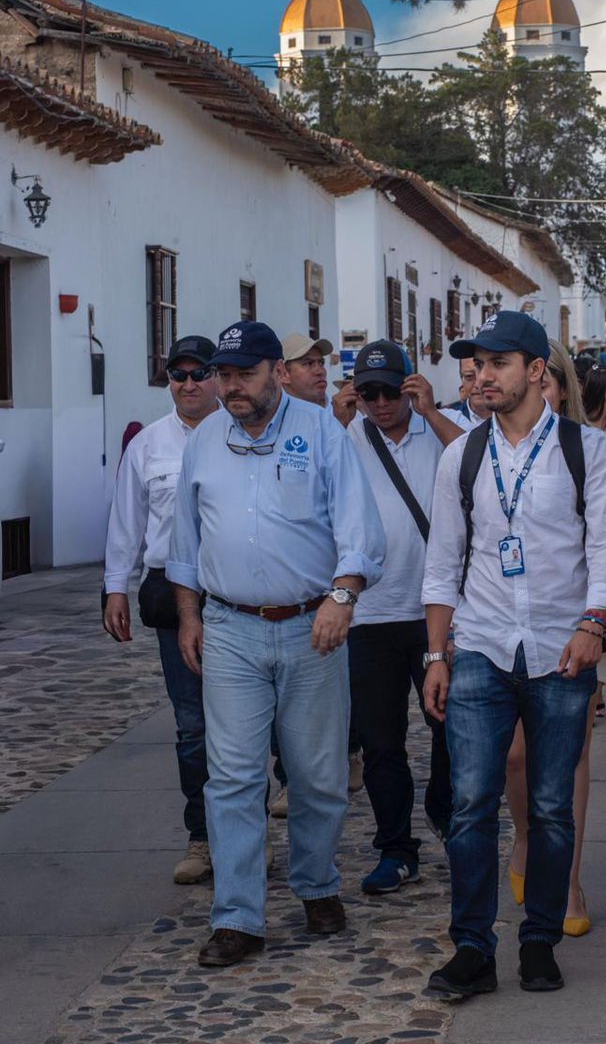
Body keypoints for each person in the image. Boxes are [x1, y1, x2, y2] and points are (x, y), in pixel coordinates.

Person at [421, 311, 606, 998]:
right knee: (471, 805)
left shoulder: (586, 451)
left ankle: (537, 940)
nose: (482, 375)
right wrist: (435, 655)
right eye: (477, 364)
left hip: (561, 649)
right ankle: (472, 949)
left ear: (536, 370)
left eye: (498, 362)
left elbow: (605, 548)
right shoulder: (463, 455)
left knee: (548, 807)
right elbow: (442, 562)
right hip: (478, 645)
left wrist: (594, 624)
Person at [167, 321, 385, 967]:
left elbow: (360, 531)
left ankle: (317, 885)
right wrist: (189, 617)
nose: (228, 386)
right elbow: (183, 546)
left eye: (242, 374)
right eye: (221, 375)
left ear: (276, 372)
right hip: (230, 629)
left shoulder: (322, 433)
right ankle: (237, 917)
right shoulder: (204, 441)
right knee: (231, 777)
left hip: (310, 628)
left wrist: (341, 598)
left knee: (317, 777)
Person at [505, 343, 606, 940]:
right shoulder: (488, 450)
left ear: (559, 385)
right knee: (514, 755)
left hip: (574, 621)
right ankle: (528, 841)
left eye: (556, 385)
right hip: (504, 621)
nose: (548, 396)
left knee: (571, 755)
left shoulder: (597, 450)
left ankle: (568, 878)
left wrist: (597, 562)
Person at [344, 340, 464, 895]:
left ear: (408, 386)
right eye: (369, 393)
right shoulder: (347, 437)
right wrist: (337, 417)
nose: (380, 403)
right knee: (381, 742)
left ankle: (446, 815)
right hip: (370, 616)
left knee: (450, 729)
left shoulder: (439, 433)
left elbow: (482, 461)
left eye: (390, 390)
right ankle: (395, 848)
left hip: (433, 611)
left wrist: (432, 412)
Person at [103, 335, 218, 884]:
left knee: (248, 726)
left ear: (217, 377)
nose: (189, 384)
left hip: (236, 595)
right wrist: (115, 588)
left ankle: (246, 832)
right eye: (180, 374)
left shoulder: (240, 434)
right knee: (192, 723)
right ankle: (202, 837)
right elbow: (126, 520)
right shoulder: (147, 445)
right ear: (168, 379)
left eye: (200, 374)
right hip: (172, 594)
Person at [270, 333, 364, 813]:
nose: (319, 370)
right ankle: (292, 778)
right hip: (292, 591)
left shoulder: (343, 422)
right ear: (280, 373)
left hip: (343, 586)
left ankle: (344, 755)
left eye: (320, 361)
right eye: (305, 363)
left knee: (339, 692)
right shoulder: (269, 433)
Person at [281, 333, 333, 407]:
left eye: (321, 363)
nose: (320, 372)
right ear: (283, 374)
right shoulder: (271, 416)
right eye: (309, 363)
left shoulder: (340, 412)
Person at [442, 357, 490, 427]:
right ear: (461, 379)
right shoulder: (449, 420)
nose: (477, 385)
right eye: (469, 376)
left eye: (484, 375)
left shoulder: (510, 418)